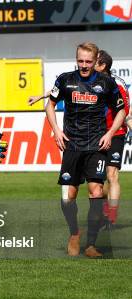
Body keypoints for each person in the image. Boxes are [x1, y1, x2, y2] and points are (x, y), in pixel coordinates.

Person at [46, 42, 126, 258]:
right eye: (80, 61)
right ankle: (75, 233)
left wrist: (110, 134)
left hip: (96, 146)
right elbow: (50, 104)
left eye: (88, 61)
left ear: (95, 60)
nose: (84, 65)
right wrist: (56, 130)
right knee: (67, 198)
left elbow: (121, 111)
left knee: (97, 191)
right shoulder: (65, 79)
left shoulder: (106, 83)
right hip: (71, 145)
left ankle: (91, 244)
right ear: (76, 59)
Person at [95, 50, 130, 227]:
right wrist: (43, 96)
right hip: (95, 135)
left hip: (115, 134)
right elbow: (64, 86)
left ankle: (112, 217)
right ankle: (104, 211)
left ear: (103, 66)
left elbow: (125, 113)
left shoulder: (118, 84)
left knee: (112, 175)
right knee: (96, 182)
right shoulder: (88, 80)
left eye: (94, 61)